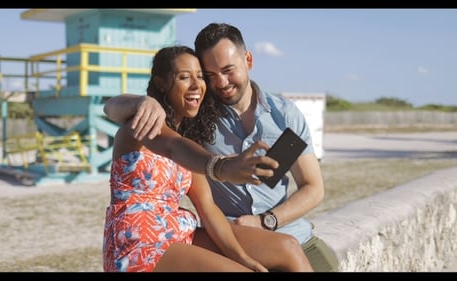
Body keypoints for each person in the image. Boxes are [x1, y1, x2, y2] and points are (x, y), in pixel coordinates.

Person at [105, 23, 338, 272]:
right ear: (162, 83)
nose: (219, 83)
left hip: (282, 230)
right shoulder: (152, 124)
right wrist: (143, 101)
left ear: (248, 60)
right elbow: (119, 113)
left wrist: (257, 236)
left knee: (300, 253)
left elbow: (312, 187)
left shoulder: (283, 116)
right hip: (142, 239)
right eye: (210, 75)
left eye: (226, 71)